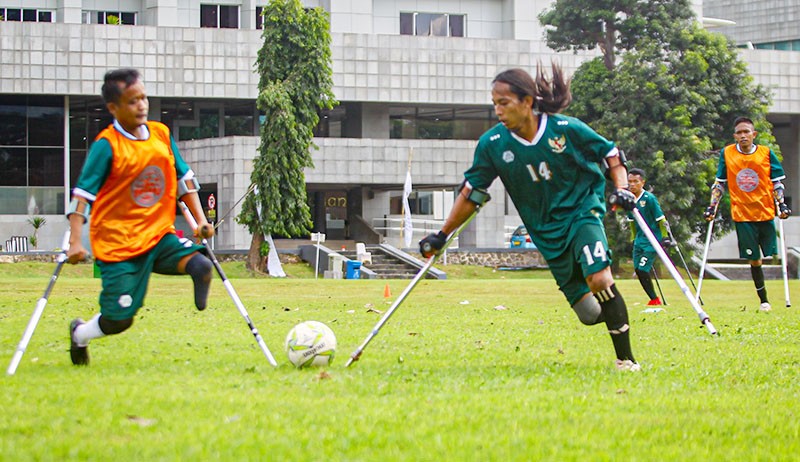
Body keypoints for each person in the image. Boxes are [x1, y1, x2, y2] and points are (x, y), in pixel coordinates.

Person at [420, 64, 641, 371]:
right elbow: (472, 192)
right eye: (494, 103)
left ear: (527, 102)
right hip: (546, 233)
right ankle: (616, 310)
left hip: (581, 212)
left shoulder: (565, 128)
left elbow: (612, 155)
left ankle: (626, 360)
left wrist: (620, 188)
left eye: (504, 103)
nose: (497, 110)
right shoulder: (493, 145)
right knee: (590, 314)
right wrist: (441, 235)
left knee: (600, 278)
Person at [65, 68, 215, 366]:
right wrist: (74, 242)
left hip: (159, 236)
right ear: (114, 108)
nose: (141, 105)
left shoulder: (160, 134)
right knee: (120, 320)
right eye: (132, 101)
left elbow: (184, 179)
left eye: (143, 98)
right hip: (118, 246)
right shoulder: (106, 146)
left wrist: (200, 222)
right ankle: (80, 334)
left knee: (201, 266)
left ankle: (200, 295)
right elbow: (82, 197)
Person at [704, 116, 791, 312]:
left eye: (747, 132)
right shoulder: (727, 154)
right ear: (735, 136)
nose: (743, 136)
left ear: (754, 134)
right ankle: (764, 300)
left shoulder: (766, 154)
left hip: (765, 211)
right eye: (739, 133)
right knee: (754, 259)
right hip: (742, 214)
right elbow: (720, 183)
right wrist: (712, 206)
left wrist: (782, 205)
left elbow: (776, 182)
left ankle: (772, 298)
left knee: (770, 255)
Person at [626, 168, 671, 306]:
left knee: (642, 269)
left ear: (642, 182)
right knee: (638, 271)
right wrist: (633, 239)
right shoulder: (628, 199)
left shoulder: (649, 199)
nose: (632, 185)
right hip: (639, 241)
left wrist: (665, 237)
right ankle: (653, 299)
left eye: (635, 181)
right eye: (630, 182)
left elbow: (660, 218)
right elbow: (632, 222)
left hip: (652, 241)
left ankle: (655, 299)